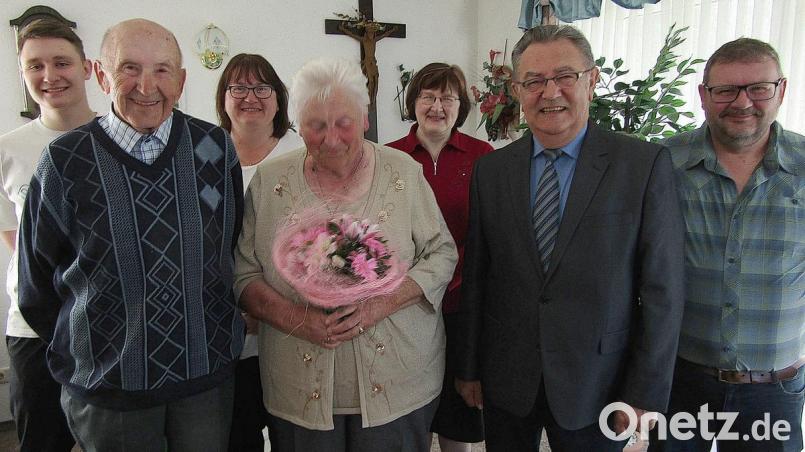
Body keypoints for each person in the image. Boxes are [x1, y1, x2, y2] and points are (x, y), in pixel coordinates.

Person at [454, 24, 685, 452]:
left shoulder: (642, 165)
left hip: (599, 380)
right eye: (534, 81)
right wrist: (468, 367)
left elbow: (663, 290)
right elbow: (478, 276)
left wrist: (644, 393)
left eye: (565, 76)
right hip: (508, 378)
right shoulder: (492, 170)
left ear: (592, 81)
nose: (550, 92)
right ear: (517, 91)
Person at [16, 18, 244, 452]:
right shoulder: (63, 161)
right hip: (110, 392)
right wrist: (96, 352)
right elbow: (35, 287)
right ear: (102, 76)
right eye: (129, 68)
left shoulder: (214, 148)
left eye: (162, 70)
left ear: (181, 80)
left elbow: (227, 246)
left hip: (205, 382)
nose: (146, 86)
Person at [233, 57, 457, 452]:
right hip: (296, 388)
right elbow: (244, 273)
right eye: (316, 125)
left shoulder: (403, 172)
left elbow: (441, 253)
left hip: (400, 381)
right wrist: (299, 320)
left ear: (365, 118)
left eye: (343, 122)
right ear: (297, 125)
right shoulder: (269, 182)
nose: (331, 138)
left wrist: (379, 305)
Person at [649, 38, 805, 452]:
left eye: (758, 88)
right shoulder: (662, 163)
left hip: (775, 390)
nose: (743, 102)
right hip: (682, 381)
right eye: (726, 90)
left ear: (781, 91)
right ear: (703, 96)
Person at [386, 62, 492, 452]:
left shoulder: (482, 156)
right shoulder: (388, 157)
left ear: (460, 106)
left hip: (463, 301)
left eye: (447, 98)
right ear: (413, 102)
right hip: (406, 302)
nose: (437, 106)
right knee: (409, 406)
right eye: (428, 97)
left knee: (459, 411)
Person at [0, 18, 95, 452]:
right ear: (23, 74)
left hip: (110, 326)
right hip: (35, 330)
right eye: (35, 66)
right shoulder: (8, 150)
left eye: (61, 62)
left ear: (88, 68)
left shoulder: (121, 141)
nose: (49, 75)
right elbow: (18, 242)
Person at [216, 52, 303, 452]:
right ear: (223, 97)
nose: (250, 97)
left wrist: (267, 306)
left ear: (278, 98)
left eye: (261, 87)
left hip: (289, 319)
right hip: (226, 322)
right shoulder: (206, 153)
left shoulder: (300, 152)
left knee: (292, 432)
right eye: (238, 87)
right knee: (240, 432)